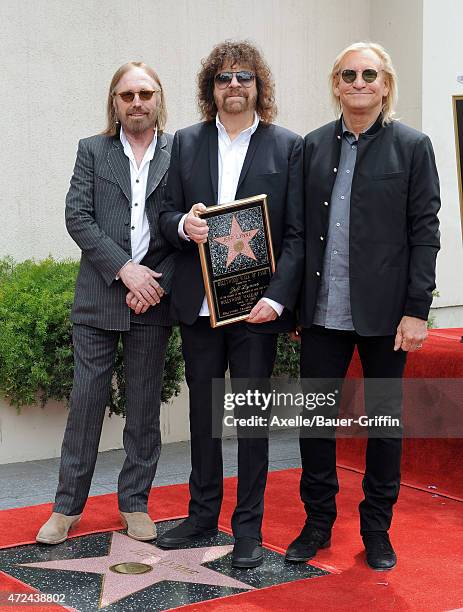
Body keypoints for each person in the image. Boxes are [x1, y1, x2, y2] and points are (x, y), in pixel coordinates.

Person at [285, 42, 440, 570]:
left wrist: (418, 309)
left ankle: (377, 529)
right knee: (315, 425)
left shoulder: (413, 146)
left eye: (369, 74)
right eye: (348, 74)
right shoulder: (310, 147)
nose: (358, 82)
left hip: (386, 315)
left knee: (383, 424)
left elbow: (425, 232)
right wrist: (289, 306)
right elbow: (297, 232)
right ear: (335, 83)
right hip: (322, 312)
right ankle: (318, 522)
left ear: (385, 84)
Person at [152, 40, 304, 568]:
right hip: (200, 307)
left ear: (259, 86)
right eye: (223, 78)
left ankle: (249, 529)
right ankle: (200, 516)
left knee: (253, 420)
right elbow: (164, 214)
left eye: (244, 77)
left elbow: (298, 234)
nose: (234, 85)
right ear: (210, 88)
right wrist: (182, 225)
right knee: (204, 415)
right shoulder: (185, 143)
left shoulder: (288, 146)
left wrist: (279, 299)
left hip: (257, 310)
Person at [36, 62, 174, 545]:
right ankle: (66, 508)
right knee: (86, 407)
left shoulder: (181, 151)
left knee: (143, 411)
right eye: (127, 94)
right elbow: (78, 217)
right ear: (114, 102)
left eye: (145, 93)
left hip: (153, 299)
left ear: (159, 98)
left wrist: (151, 282)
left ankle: (135, 504)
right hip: (99, 298)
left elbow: (185, 228)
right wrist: (125, 270)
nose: (137, 102)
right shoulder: (93, 151)